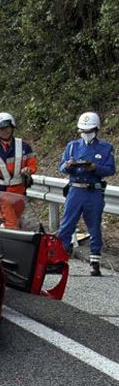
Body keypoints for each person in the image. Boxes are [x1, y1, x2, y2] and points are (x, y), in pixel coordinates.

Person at [57, 112, 115, 276]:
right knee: (67, 225)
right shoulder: (72, 146)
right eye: (83, 130)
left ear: (96, 129)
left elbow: (111, 169)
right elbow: (61, 167)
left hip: (93, 190)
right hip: (75, 189)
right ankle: (60, 260)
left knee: (94, 226)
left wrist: (95, 168)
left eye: (89, 130)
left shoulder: (105, 148)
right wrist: (67, 166)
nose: (86, 134)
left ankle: (94, 261)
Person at [0, 112, 37, 229]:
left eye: (6, 128)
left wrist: (29, 169)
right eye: (0, 129)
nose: (4, 131)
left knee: (19, 221)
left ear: (12, 127)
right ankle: (14, 245)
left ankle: (5, 238)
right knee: (12, 224)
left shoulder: (24, 146)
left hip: (19, 191)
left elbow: (32, 164)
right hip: (1, 192)